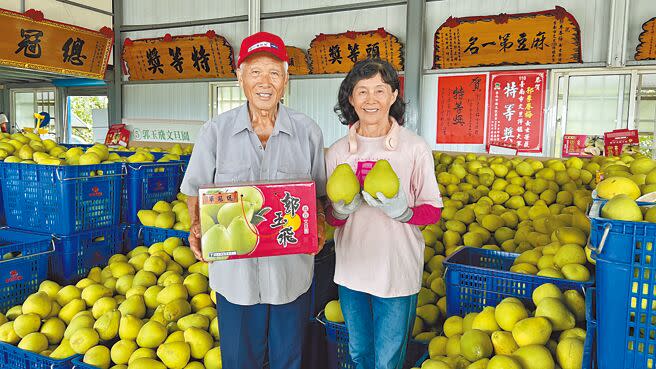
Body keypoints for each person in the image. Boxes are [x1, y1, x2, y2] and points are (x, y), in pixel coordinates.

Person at [180, 31, 327, 369]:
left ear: (286, 78)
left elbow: (317, 193)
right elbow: (195, 190)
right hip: (236, 277)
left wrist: (317, 223)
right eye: (255, 71)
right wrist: (198, 226)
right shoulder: (215, 132)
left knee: (288, 359)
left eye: (274, 73)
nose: (265, 82)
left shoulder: (308, 131)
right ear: (239, 76)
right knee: (239, 360)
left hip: (290, 275)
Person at [325, 59, 442, 369]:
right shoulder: (336, 152)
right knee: (358, 353)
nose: (371, 99)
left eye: (379, 90)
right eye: (362, 91)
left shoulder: (415, 148)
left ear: (393, 95)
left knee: (389, 360)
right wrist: (338, 211)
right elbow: (329, 218)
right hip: (352, 270)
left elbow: (433, 210)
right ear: (350, 99)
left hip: (397, 271)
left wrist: (404, 213)